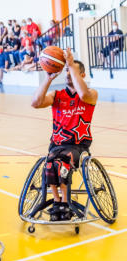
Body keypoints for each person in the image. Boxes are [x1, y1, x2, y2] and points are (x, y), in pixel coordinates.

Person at [31, 48, 98, 221]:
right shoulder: (57, 95)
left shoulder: (91, 94)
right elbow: (36, 103)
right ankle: (57, 201)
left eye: (72, 70)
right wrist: (48, 78)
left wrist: (71, 64)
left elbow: (82, 93)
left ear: (81, 75)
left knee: (64, 163)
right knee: (50, 164)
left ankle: (66, 203)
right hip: (57, 144)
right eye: (66, 70)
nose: (68, 73)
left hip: (78, 145)